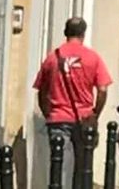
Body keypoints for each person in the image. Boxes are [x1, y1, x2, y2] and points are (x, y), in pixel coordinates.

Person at [33, 17, 112, 188]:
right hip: (84, 120)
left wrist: (49, 113)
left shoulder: (52, 58)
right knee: (83, 168)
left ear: (65, 33)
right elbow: (103, 90)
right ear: (83, 34)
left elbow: (42, 91)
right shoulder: (93, 58)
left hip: (58, 118)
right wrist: (95, 114)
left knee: (59, 165)